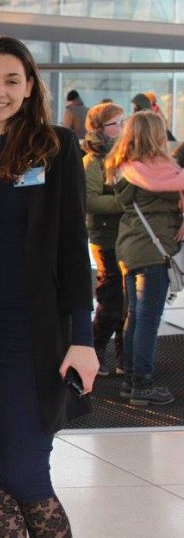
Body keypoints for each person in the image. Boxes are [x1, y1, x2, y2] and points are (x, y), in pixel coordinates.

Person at [0, 35, 98, 537]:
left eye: (12, 80)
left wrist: (83, 336)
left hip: (32, 336)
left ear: (30, 88)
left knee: (27, 473)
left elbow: (74, 245)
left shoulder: (55, 147)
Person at [105, 111, 181, 406]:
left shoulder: (124, 167)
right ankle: (142, 385)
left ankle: (131, 381)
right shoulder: (155, 171)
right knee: (148, 320)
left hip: (132, 245)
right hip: (154, 247)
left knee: (136, 317)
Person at [83, 103, 126, 377]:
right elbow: (89, 200)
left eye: (123, 122)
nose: (121, 128)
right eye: (115, 123)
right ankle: (96, 348)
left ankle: (125, 356)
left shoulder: (124, 156)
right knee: (111, 297)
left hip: (127, 238)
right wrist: (125, 201)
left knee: (127, 300)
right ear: (100, 128)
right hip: (106, 238)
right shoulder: (92, 162)